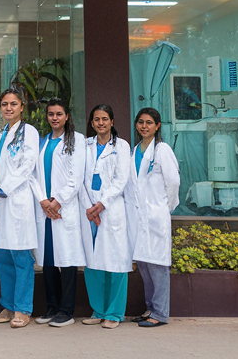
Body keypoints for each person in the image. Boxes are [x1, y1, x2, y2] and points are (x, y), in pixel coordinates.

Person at [0, 87, 40, 329]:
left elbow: (27, 166)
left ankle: (23, 308)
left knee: (21, 257)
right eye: (5, 104)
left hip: (15, 201)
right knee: (2, 257)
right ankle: (7, 305)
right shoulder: (0, 133)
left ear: (22, 107)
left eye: (13, 104)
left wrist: (2, 189)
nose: (8, 108)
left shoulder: (29, 132)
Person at [33, 98, 87, 328]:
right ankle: (52, 307)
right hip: (45, 210)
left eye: (59, 114)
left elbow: (76, 177)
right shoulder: (42, 142)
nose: (54, 118)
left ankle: (66, 311)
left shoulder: (76, 140)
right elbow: (33, 175)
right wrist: (44, 201)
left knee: (67, 261)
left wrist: (57, 202)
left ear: (67, 116)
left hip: (63, 209)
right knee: (48, 262)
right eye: (50, 114)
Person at [125, 107, 180, 328]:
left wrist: (164, 207)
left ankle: (161, 313)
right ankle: (150, 309)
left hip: (156, 215)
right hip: (139, 217)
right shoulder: (135, 150)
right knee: (145, 265)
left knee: (158, 266)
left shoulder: (162, 150)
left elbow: (173, 182)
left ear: (157, 126)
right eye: (140, 122)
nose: (144, 126)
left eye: (149, 122)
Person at [80, 103, 134, 329]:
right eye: (96, 119)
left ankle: (114, 313)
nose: (100, 123)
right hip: (88, 210)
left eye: (104, 119)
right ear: (92, 123)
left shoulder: (121, 146)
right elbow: (79, 178)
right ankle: (98, 310)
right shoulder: (85, 145)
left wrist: (101, 205)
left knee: (116, 261)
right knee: (92, 263)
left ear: (112, 121)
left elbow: (121, 180)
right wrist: (89, 206)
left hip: (111, 210)